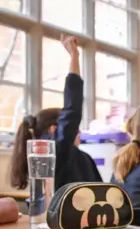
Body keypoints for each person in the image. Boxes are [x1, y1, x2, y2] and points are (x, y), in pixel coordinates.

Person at [10, 35, 102, 191]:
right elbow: (72, 110)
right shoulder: (53, 152)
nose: (78, 133)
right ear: (54, 129)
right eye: (76, 130)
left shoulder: (80, 157)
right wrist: (74, 57)